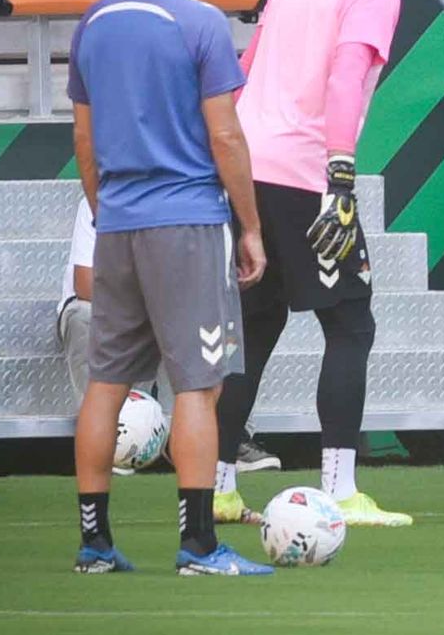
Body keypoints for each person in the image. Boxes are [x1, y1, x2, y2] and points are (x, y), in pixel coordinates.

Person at [212, 0, 444, 528]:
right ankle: (340, 489)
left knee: (255, 328)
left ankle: (219, 489)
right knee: (350, 325)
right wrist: (340, 175)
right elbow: (345, 77)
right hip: (305, 174)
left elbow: (245, 68)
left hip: (247, 168)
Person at [68, 0, 271, 575]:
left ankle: (95, 544)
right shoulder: (202, 23)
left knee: (106, 383)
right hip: (186, 222)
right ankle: (198, 545)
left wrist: (105, 209)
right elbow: (226, 136)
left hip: (118, 221)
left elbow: (84, 139)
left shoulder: (93, 22)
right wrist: (250, 227)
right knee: (198, 384)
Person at [57, 197, 279, 477]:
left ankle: (226, 436)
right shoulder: (107, 195)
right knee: (84, 315)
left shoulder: (201, 199)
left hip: (175, 310)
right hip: (120, 309)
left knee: (225, 316)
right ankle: (114, 440)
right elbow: (85, 283)